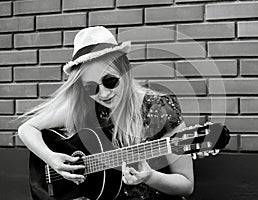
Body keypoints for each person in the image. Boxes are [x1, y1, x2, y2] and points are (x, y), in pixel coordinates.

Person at [18, 26, 194, 200]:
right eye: (91, 87)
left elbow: (186, 185)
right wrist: (52, 159)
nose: (103, 94)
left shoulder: (160, 109)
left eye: (110, 81)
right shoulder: (86, 105)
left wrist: (151, 177)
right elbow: (27, 129)